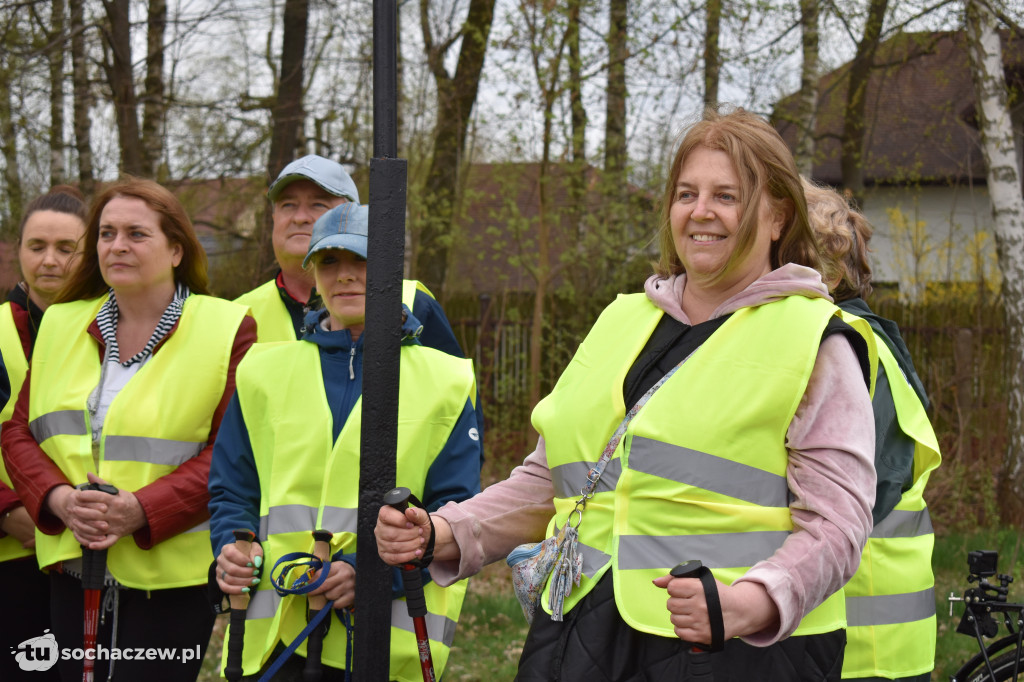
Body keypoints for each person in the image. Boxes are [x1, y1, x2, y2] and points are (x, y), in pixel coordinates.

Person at [376, 107, 878, 681]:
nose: (701, 212)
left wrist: (752, 601)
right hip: (579, 634)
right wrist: (445, 532)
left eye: (728, 196)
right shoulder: (621, 319)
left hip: (732, 651)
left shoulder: (815, 339)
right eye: (686, 193)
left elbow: (839, 525)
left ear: (777, 216)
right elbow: (554, 480)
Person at [209, 202, 482, 681]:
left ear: (394, 271)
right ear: (311, 273)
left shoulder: (447, 379)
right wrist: (233, 548)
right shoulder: (262, 371)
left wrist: (372, 576)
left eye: (363, 261)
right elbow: (233, 488)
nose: (347, 277)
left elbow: (455, 508)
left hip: (384, 645)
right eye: (330, 262)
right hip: (272, 640)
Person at [1, 178, 256, 681]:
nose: (117, 245)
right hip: (71, 570)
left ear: (177, 248)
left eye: (136, 234)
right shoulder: (61, 323)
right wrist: (57, 500)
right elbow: (18, 432)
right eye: (106, 233)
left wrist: (139, 510)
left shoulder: (228, 326)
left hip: (170, 583)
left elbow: (231, 453)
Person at [804, 178, 940, 682]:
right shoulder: (864, 337)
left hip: (861, 645)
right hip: (876, 636)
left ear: (828, 269)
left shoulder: (845, 346)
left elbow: (860, 495)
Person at [236, 154, 462, 357]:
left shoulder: (414, 303)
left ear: (351, 217)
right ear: (273, 218)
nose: (300, 217)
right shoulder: (238, 315)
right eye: (288, 205)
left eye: (317, 204)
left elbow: (452, 394)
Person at [0, 186, 86, 681]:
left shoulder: (115, 331)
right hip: (13, 555)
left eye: (66, 248)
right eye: (37, 247)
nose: (49, 261)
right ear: (18, 251)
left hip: (89, 556)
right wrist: (6, 510)